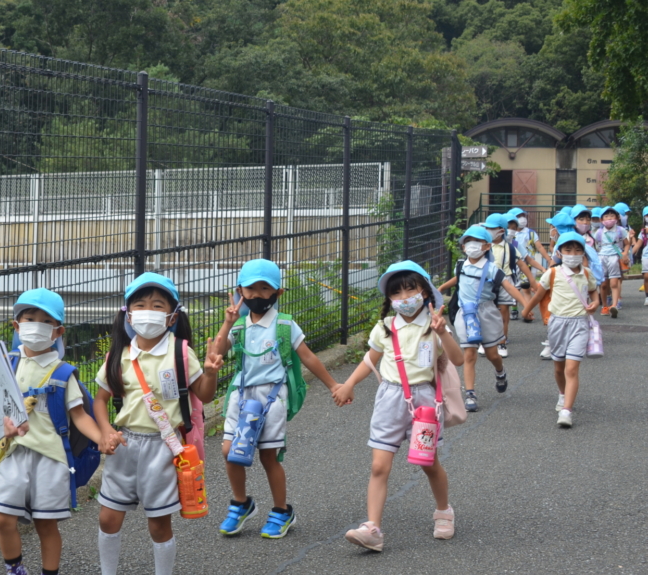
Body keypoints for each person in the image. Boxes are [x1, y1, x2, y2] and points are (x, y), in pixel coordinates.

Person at [80, 273, 223, 575]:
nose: (148, 312)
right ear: (127, 314)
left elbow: (203, 395)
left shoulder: (180, 352)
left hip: (164, 447)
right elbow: (100, 400)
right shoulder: (120, 355)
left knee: (158, 521)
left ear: (172, 315)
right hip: (124, 445)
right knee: (108, 516)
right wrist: (103, 433)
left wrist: (210, 370)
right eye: (140, 305)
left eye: (157, 306)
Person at [0, 289, 103, 575]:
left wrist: (103, 438)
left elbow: (79, 416)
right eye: (30, 319)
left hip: (52, 459)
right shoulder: (6, 364)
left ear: (58, 332)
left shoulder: (63, 373)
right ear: (16, 325)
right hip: (14, 454)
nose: (36, 326)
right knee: (2, 517)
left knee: (46, 523)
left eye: (47, 322)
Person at [332, 261, 464, 552]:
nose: (404, 298)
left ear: (425, 292)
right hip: (390, 400)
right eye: (397, 293)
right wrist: (349, 383)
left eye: (410, 290)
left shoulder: (436, 326)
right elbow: (371, 358)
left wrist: (442, 332)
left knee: (429, 464)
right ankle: (373, 528)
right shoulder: (385, 327)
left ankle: (444, 511)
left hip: (426, 403)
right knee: (379, 465)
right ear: (389, 299)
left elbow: (458, 359)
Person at [212, 259, 342, 538]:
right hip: (242, 394)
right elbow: (217, 353)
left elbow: (307, 356)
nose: (257, 295)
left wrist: (333, 385)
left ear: (277, 293)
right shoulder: (239, 326)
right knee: (229, 451)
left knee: (268, 456)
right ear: (240, 291)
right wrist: (227, 323)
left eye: (264, 288)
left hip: (272, 396)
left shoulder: (284, 324)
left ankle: (281, 510)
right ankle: (240, 503)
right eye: (251, 289)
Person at [438, 226, 527, 412]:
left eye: (477, 241)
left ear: (486, 246)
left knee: (492, 354)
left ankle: (500, 372)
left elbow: (509, 287)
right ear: (463, 246)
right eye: (468, 241)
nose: (472, 245)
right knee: (469, 354)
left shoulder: (491, 269)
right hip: (466, 313)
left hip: (486, 313)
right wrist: (439, 289)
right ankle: (470, 393)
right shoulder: (461, 265)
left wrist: (525, 304)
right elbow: (457, 279)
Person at [520, 233, 599, 428]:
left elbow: (594, 292)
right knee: (558, 368)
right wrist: (526, 310)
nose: (573, 254)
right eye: (568, 250)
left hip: (580, 324)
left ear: (583, 253)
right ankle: (562, 394)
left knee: (571, 369)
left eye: (578, 250)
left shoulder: (587, 273)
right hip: (557, 324)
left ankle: (566, 411)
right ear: (559, 253)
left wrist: (596, 303)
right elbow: (539, 295)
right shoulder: (552, 273)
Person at [483, 213, 535, 357]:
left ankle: (502, 343)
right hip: (487, 281)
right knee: (486, 311)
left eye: (492, 228)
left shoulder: (510, 247)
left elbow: (522, 264)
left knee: (503, 313)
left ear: (501, 230)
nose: (489, 230)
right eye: (487, 228)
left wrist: (532, 280)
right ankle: (487, 340)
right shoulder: (484, 245)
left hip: (505, 281)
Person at [505, 212, 544, 323]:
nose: (511, 230)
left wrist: (542, 269)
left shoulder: (515, 244)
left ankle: (524, 311)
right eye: (508, 227)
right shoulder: (491, 245)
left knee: (517, 293)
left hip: (515, 273)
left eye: (513, 228)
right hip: (498, 279)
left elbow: (527, 260)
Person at [593, 206, 628, 318]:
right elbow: (595, 247)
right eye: (606, 216)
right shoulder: (598, 232)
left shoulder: (620, 230)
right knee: (603, 285)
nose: (609, 218)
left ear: (617, 218)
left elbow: (627, 244)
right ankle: (604, 306)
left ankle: (614, 305)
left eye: (612, 216)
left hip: (614, 257)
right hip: (602, 257)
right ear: (601, 219)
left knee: (613, 283)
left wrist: (625, 253)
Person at [631, 206, 648, 306]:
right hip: (646, 256)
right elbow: (638, 244)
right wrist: (630, 254)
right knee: (646, 277)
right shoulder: (643, 232)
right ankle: (647, 296)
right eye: (647, 215)